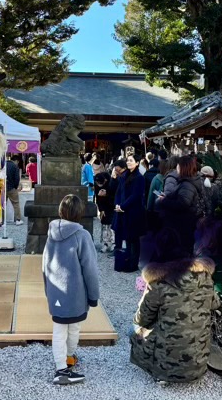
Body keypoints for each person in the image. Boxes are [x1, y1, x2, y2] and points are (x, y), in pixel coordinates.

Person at [130, 228, 219, 383]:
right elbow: (215, 304)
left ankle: (159, 371)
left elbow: (143, 318)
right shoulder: (204, 276)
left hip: (166, 367)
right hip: (198, 364)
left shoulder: (158, 281)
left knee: (133, 328)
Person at [43, 195, 100, 385]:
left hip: (55, 290)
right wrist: (93, 296)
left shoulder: (51, 233)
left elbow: (44, 265)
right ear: (79, 213)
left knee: (59, 328)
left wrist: (48, 291)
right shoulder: (82, 235)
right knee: (73, 327)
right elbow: (90, 268)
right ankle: (66, 362)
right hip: (75, 292)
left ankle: (62, 364)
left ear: (61, 211)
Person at [155, 155, 206, 255]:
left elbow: (183, 203)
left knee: (182, 252)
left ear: (183, 167)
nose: (176, 168)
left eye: (178, 166)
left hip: (183, 225)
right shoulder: (187, 181)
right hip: (184, 224)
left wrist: (164, 200)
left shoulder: (187, 184)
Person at [113, 154, 146, 271]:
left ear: (137, 163)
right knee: (126, 237)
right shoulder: (124, 176)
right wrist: (117, 205)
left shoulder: (139, 177)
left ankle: (133, 264)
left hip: (134, 211)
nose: (129, 163)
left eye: (131, 161)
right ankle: (127, 260)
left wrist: (123, 206)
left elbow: (136, 195)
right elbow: (118, 192)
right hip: (122, 211)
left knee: (134, 239)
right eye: (128, 161)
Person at [94, 172, 115, 252]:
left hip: (111, 205)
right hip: (103, 206)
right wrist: (101, 209)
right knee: (104, 226)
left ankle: (113, 243)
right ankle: (105, 243)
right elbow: (97, 197)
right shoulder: (97, 182)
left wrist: (106, 195)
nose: (99, 185)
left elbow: (115, 195)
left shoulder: (111, 183)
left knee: (111, 226)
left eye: (101, 183)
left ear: (105, 180)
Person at [146, 159, 168, 234]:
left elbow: (151, 193)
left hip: (157, 208)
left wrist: (149, 207)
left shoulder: (156, 179)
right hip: (169, 208)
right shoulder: (172, 178)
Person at [5, 155, 23, 225]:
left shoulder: (3, 164)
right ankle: (18, 220)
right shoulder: (15, 166)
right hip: (12, 188)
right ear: (17, 161)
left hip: (3, 187)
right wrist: (15, 187)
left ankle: (1, 221)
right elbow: (17, 179)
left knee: (2, 204)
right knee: (16, 204)